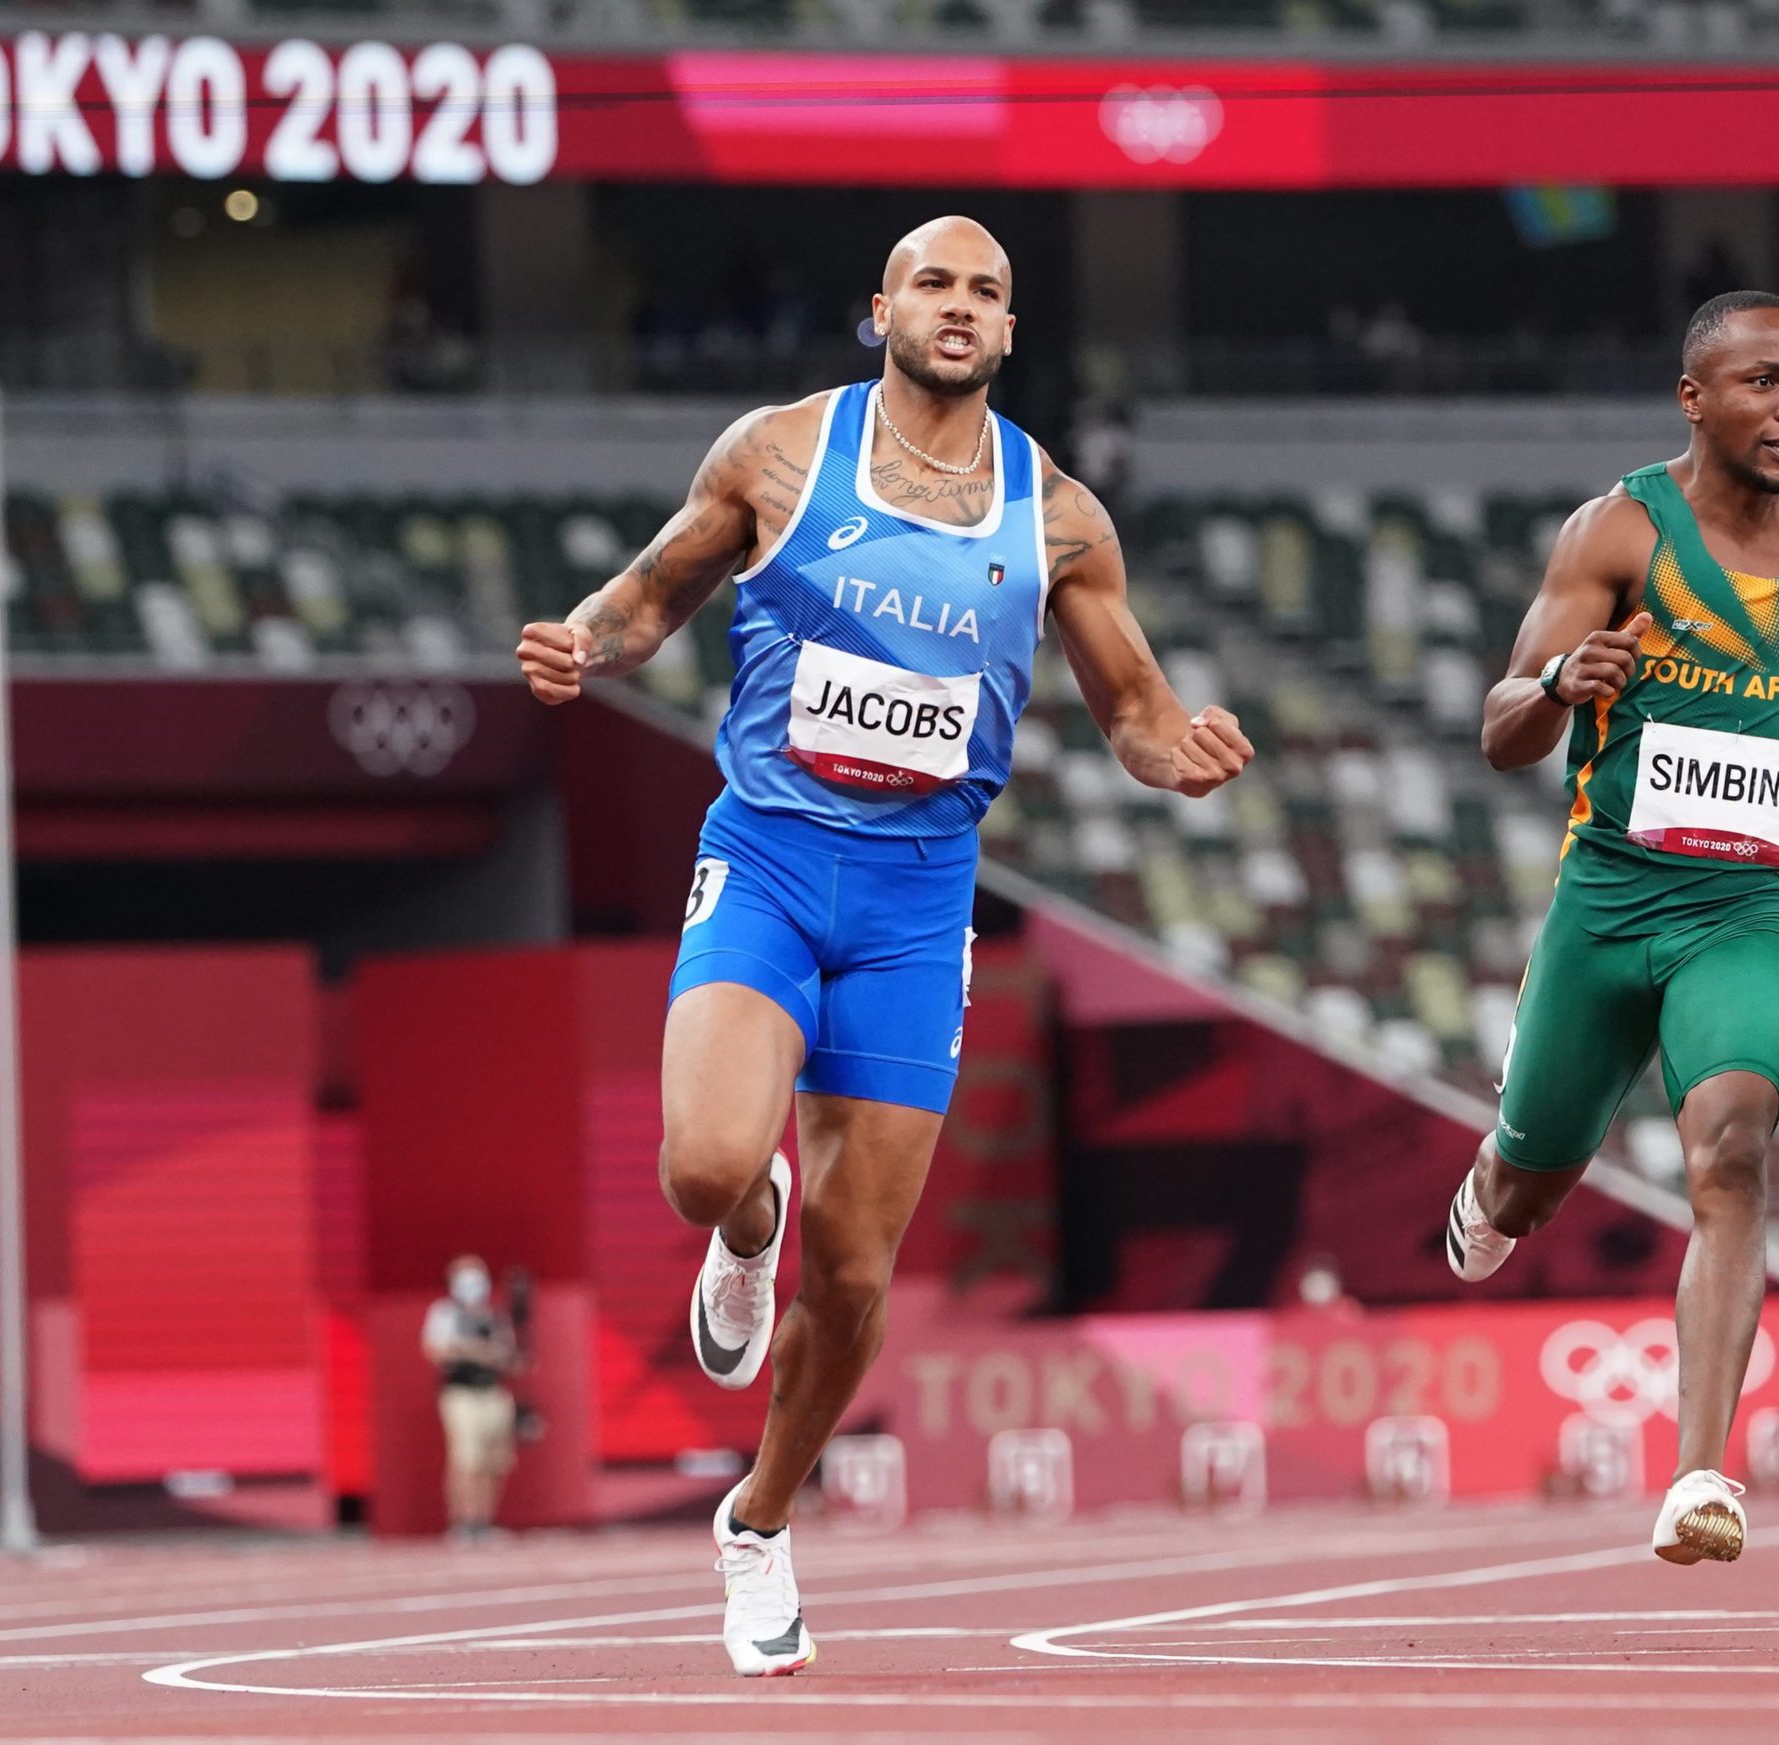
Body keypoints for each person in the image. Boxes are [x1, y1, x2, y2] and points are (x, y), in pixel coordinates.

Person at [517, 215, 1249, 1676]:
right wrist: (585, 641)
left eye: (988, 290)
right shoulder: (779, 454)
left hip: (921, 899)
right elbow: (658, 592)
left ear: (1012, 330)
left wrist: (1177, 754)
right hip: (776, 857)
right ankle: (744, 1232)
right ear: (883, 310)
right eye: (936, 283)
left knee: (858, 1278)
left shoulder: (1060, 517)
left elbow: (1132, 703)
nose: (961, 306)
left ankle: (757, 1521)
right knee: (708, 1163)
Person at [1442, 291, 1779, 1566]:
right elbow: (1499, 731)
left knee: (1731, 1154)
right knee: (1532, 1184)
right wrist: (1557, 682)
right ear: (1694, 398)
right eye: (1764, 382)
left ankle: (1701, 1472)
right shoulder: (1617, 533)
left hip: (1755, 906)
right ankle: (1492, 1178)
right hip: (1610, 901)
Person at [420, 1255, 524, 1542]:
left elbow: (508, 1356)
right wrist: (480, 1351)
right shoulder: (444, 1313)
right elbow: (437, 1349)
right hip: (461, 1393)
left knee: (494, 1461)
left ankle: (484, 1521)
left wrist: (473, 1350)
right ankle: (462, 1522)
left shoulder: (492, 1315)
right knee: (466, 1459)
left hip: (492, 1392)